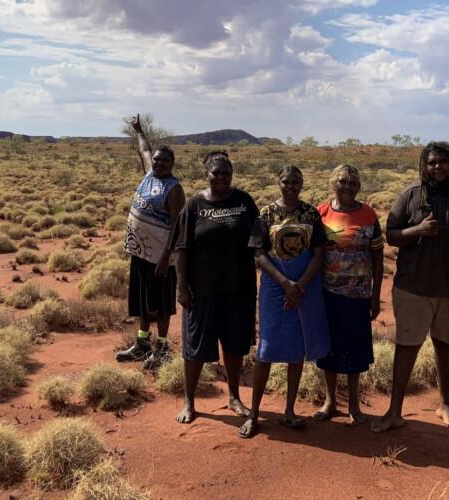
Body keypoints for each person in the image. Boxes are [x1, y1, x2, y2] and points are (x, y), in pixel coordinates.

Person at [372, 141, 449, 433]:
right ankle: (394, 410)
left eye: (443, 162)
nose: (438, 168)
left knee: (444, 346)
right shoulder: (410, 196)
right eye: (432, 163)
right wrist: (418, 231)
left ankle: (445, 404)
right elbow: (392, 235)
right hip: (414, 287)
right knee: (406, 347)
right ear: (424, 166)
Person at [238, 166, 331, 438]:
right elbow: (258, 253)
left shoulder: (311, 213)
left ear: (302, 184)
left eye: (296, 182)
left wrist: (299, 286)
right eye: (286, 181)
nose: (291, 186)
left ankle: (289, 411)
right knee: (266, 350)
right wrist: (285, 284)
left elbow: (319, 253)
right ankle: (254, 414)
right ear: (278, 183)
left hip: (305, 287)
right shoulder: (266, 214)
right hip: (274, 286)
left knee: (296, 348)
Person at [171, 151, 259, 424]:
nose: (221, 177)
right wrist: (181, 287)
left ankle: (234, 397)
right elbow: (181, 249)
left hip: (238, 288)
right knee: (194, 348)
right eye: (216, 173)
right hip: (202, 291)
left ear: (232, 174)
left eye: (226, 173)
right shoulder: (194, 206)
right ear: (206, 174)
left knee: (235, 346)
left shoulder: (244, 202)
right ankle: (189, 401)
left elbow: (258, 240)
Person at [314, 165, 383, 425]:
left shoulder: (368, 214)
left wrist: (375, 296)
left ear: (359, 186)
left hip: (358, 294)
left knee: (355, 348)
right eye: (343, 181)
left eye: (353, 182)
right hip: (327, 293)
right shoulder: (321, 212)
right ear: (334, 182)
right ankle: (330, 400)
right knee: (328, 348)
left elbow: (377, 256)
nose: (348, 186)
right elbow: (314, 253)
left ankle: (354, 403)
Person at [117, 114, 185, 369]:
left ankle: (162, 348)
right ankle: (142, 344)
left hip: (161, 259)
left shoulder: (173, 188)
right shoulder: (149, 175)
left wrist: (166, 257)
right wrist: (139, 129)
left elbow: (179, 226)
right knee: (144, 302)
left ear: (172, 164)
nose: (158, 163)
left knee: (162, 305)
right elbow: (145, 148)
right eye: (157, 160)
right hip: (141, 253)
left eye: (165, 161)